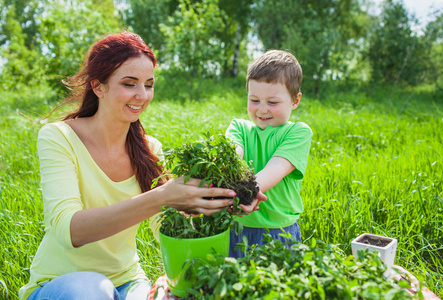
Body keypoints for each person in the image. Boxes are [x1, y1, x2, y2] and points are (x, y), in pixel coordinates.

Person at [19, 31, 264, 300]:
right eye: (129, 84)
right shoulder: (59, 137)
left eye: (149, 84)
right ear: (98, 86)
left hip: (128, 283)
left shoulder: (149, 149)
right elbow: (69, 230)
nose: (142, 95)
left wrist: (215, 205)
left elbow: (167, 228)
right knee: (92, 291)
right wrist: (161, 197)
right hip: (63, 285)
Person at [226, 50, 313, 258]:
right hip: (236, 228)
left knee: (279, 287)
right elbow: (231, 157)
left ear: (295, 100)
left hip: (279, 231)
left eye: (272, 103)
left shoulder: (298, 132)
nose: (262, 110)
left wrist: (246, 193)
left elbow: (276, 168)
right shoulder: (238, 127)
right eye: (254, 100)